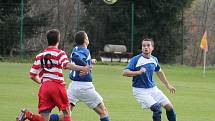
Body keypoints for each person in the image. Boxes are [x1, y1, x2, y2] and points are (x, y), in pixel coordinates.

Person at [16, 29, 90, 121]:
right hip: (57, 86)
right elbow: (67, 65)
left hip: (44, 87)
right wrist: (82, 68)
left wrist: (43, 83)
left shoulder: (40, 55)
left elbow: (32, 75)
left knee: (44, 119)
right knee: (67, 114)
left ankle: (27, 114)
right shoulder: (60, 53)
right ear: (58, 40)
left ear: (48, 40)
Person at [49, 31, 111, 121]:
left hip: (73, 86)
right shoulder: (84, 50)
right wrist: (85, 66)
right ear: (85, 40)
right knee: (103, 112)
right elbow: (76, 57)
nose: (88, 38)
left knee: (63, 116)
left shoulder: (76, 48)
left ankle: (40, 118)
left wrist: (89, 61)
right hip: (84, 87)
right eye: (87, 37)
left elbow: (77, 57)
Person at [122, 38, 176, 121]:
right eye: (143, 46)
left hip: (153, 89)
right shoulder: (136, 59)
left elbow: (159, 72)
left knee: (170, 108)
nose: (145, 47)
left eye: (148, 45)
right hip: (140, 91)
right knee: (157, 109)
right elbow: (125, 72)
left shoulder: (154, 59)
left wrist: (168, 85)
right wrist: (138, 72)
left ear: (152, 48)